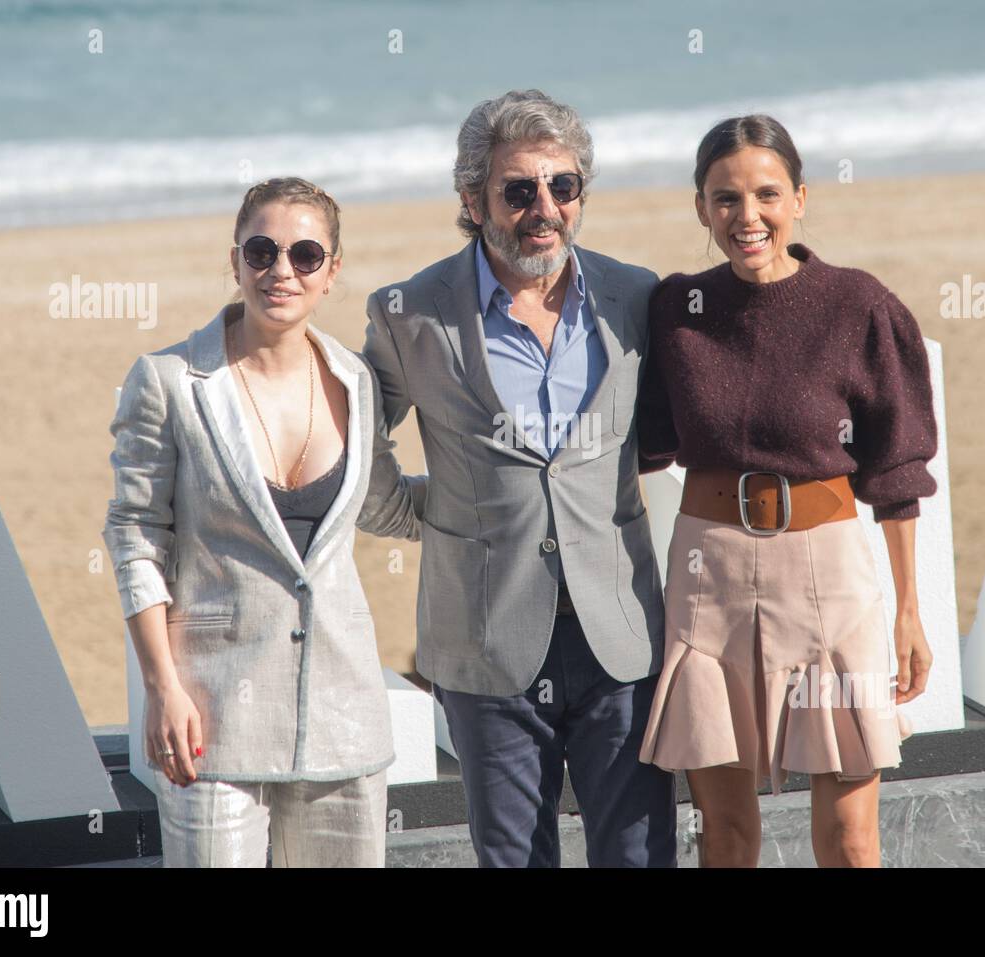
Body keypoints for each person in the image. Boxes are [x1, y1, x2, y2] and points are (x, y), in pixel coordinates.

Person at [362, 89, 677, 867]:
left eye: (563, 186)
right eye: (518, 190)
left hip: (621, 634)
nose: (545, 207)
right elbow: (357, 442)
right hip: (484, 634)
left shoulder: (635, 297)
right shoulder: (410, 314)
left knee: (639, 853)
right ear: (473, 201)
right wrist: (437, 515)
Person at [636, 115, 937, 868]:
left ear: (800, 198)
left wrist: (907, 608)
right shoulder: (677, 311)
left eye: (767, 194)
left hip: (830, 574)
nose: (748, 218)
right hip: (709, 577)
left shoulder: (857, 303)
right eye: (725, 199)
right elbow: (635, 442)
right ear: (701, 209)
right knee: (727, 837)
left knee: (849, 837)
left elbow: (896, 470)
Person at [102, 176, 425, 867]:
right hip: (211, 718)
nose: (282, 270)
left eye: (305, 254)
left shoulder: (356, 383)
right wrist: (163, 687)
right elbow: (135, 538)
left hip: (346, 720)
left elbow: (387, 506)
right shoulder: (167, 381)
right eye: (262, 250)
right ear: (236, 260)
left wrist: (511, 501)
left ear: (332, 271)